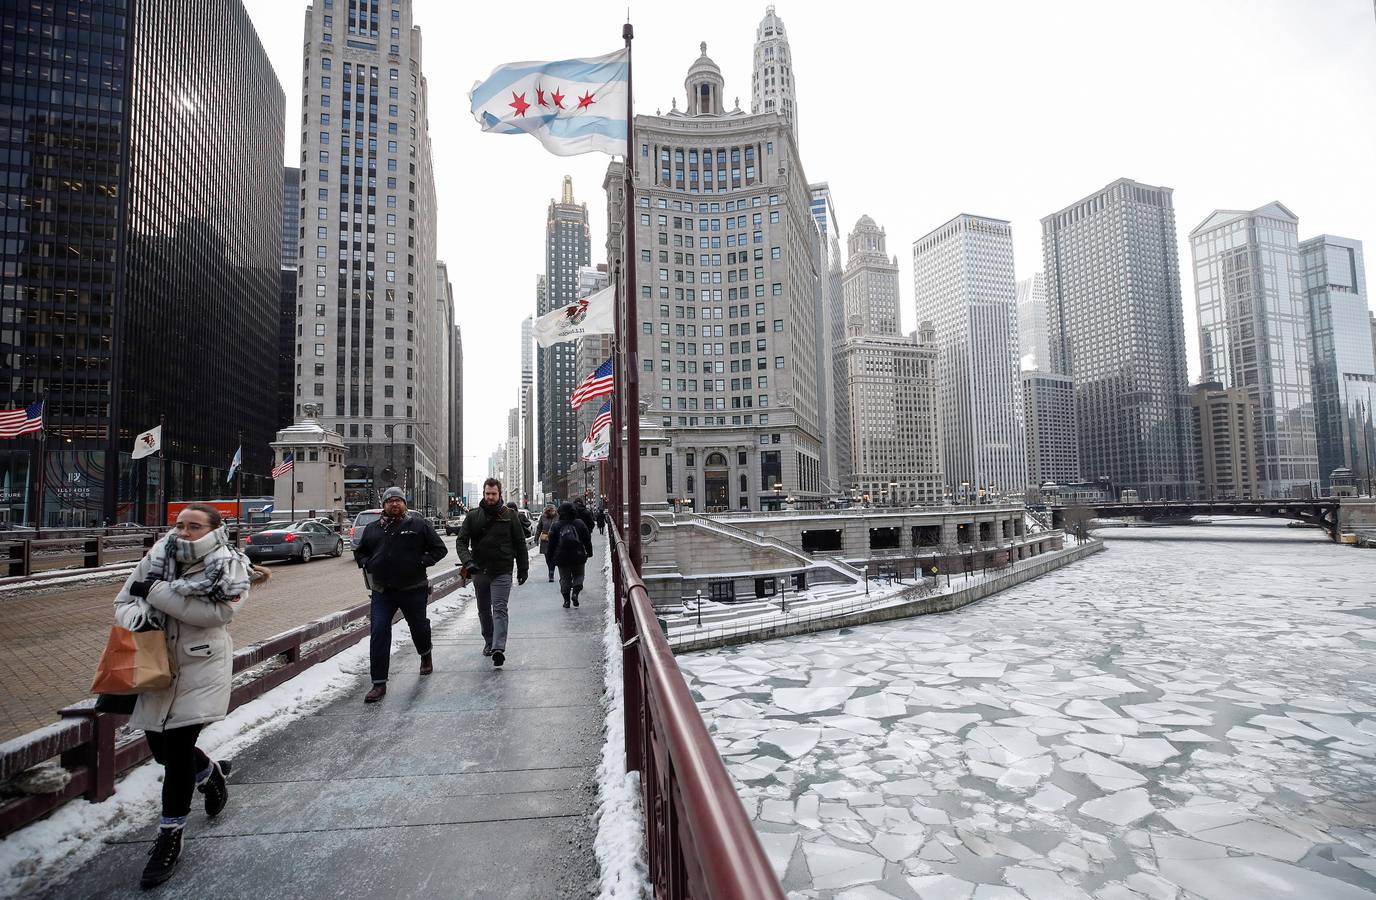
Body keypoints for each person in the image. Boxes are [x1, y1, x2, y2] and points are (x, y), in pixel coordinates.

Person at [113, 502, 270, 889]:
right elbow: (123, 602)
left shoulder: (229, 567)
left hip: (201, 667)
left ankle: (170, 836)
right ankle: (210, 773)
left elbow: (214, 616)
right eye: (180, 525)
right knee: (162, 751)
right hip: (155, 664)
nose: (183, 532)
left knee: (178, 752)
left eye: (194, 526)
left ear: (215, 529)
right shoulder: (157, 555)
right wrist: (140, 617)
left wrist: (155, 593)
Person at [353, 486, 448, 703]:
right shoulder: (373, 529)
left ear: (404, 504)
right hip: (382, 591)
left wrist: (420, 562)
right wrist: (366, 563)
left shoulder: (418, 525)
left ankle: (425, 654)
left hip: (412, 588)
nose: (394, 504)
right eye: (389, 501)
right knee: (378, 632)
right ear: (383, 506)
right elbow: (360, 552)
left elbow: (439, 550)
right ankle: (378, 683)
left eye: (398, 500)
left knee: (419, 627)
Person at [455, 478, 529, 667]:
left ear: (500, 494)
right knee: (483, 611)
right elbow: (461, 542)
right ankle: (489, 640)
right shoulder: (473, 516)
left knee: (500, 608)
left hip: (502, 570)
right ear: (483, 493)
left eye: (493, 494)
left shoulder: (510, 515)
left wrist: (523, 568)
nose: (490, 497)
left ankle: (498, 648)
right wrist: (468, 562)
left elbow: (520, 543)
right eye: (487, 493)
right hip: (479, 570)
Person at [548, 501, 594, 608]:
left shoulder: (556, 526)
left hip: (562, 557)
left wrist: (551, 558)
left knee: (564, 578)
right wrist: (589, 552)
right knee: (579, 575)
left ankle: (566, 601)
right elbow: (587, 539)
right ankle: (575, 593)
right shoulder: (579, 523)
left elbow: (551, 544)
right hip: (578, 555)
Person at [535, 505, 559, 582]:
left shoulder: (558, 516)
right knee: (548, 557)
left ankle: (551, 573)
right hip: (545, 540)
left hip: (556, 540)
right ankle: (550, 569)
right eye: (550, 510)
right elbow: (539, 528)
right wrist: (536, 538)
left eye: (553, 510)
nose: (552, 512)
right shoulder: (543, 517)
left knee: (554, 557)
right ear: (547, 511)